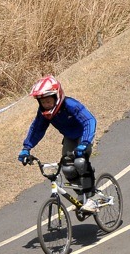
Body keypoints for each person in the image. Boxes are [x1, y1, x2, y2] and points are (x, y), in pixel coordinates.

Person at [17, 75, 103, 213]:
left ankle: (94, 198)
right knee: (67, 168)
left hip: (83, 136)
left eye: (48, 101)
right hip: (70, 137)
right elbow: (37, 129)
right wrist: (26, 148)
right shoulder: (44, 113)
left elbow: (89, 121)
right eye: (43, 102)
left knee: (80, 162)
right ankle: (82, 194)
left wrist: (85, 143)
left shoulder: (71, 105)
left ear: (57, 96)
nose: (46, 105)